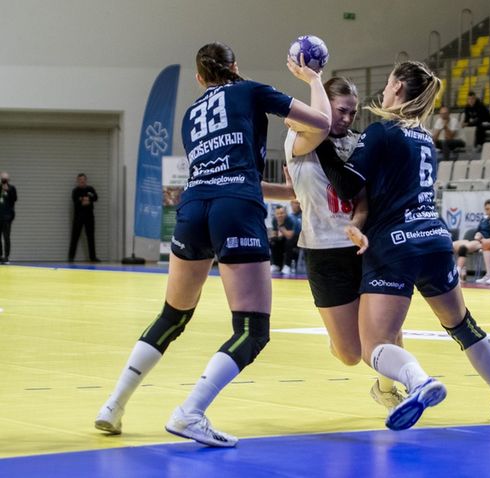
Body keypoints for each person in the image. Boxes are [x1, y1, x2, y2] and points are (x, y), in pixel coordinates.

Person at [94, 42, 332, 447]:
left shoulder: (191, 115)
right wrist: (313, 79)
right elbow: (321, 123)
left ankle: (113, 405)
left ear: (200, 78)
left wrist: (285, 194)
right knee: (252, 330)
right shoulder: (250, 90)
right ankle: (190, 412)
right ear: (235, 66)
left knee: (172, 315)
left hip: (194, 208)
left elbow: (223, 175)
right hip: (234, 209)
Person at [315, 61, 490, 430]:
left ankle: (420, 382)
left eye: (388, 83)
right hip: (435, 240)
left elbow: (347, 185)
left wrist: (320, 143)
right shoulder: (425, 138)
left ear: (397, 86)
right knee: (462, 325)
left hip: (394, 245)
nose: (384, 90)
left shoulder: (382, 131)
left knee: (374, 345)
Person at [283, 76, 404, 410]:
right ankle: (338, 338)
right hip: (323, 251)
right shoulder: (301, 137)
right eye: (341, 110)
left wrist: (357, 224)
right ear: (326, 105)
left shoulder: (358, 142)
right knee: (350, 354)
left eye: (352, 112)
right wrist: (313, 81)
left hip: (364, 246)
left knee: (388, 326)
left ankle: (389, 390)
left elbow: (363, 198)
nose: (347, 119)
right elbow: (306, 123)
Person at [452, 199, 490, 283]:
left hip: (489, 242)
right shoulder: (483, 220)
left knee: (483, 244)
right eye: (487, 209)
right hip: (479, 241)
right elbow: (478, 230)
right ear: (485, 209)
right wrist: (477, 234)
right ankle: (457, 273)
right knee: (462, 248)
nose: (489, 211)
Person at [68, 173, 99, 262]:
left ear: (86, 180)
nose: (82, 181)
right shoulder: (75, 191)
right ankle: (71, 257)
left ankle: (93, 257)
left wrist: (86, 199)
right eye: (80, 180)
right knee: (75, 237)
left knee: (91, 237)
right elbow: (75, 201)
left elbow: (95, 197)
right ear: (78, 181)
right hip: (78, 217)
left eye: (83, 180)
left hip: (89, 217)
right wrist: (84, 199)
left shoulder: (90, 189)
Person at [269, 204, 299, 275]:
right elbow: (274, 234)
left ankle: (287, 265)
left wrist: (281, 226)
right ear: (275, 214)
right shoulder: (274, 220)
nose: (280, 215)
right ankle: (276, 265)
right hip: (284, 237)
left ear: (285, 213)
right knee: (273, 242)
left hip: (295, 238)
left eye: (282, 213)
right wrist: (273, 238)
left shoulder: (290, 220)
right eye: (278, 214)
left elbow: (289, 236)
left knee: (289, 243)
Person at [0, 172, 18, 264]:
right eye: (2, 178)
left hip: (7, 217)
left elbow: (14, 199)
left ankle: (6, 257)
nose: (4, 180)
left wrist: (8, 191)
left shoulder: (12, 188)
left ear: (8, 179)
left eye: (5, 179)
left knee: (6, 237)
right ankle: (0, 256)